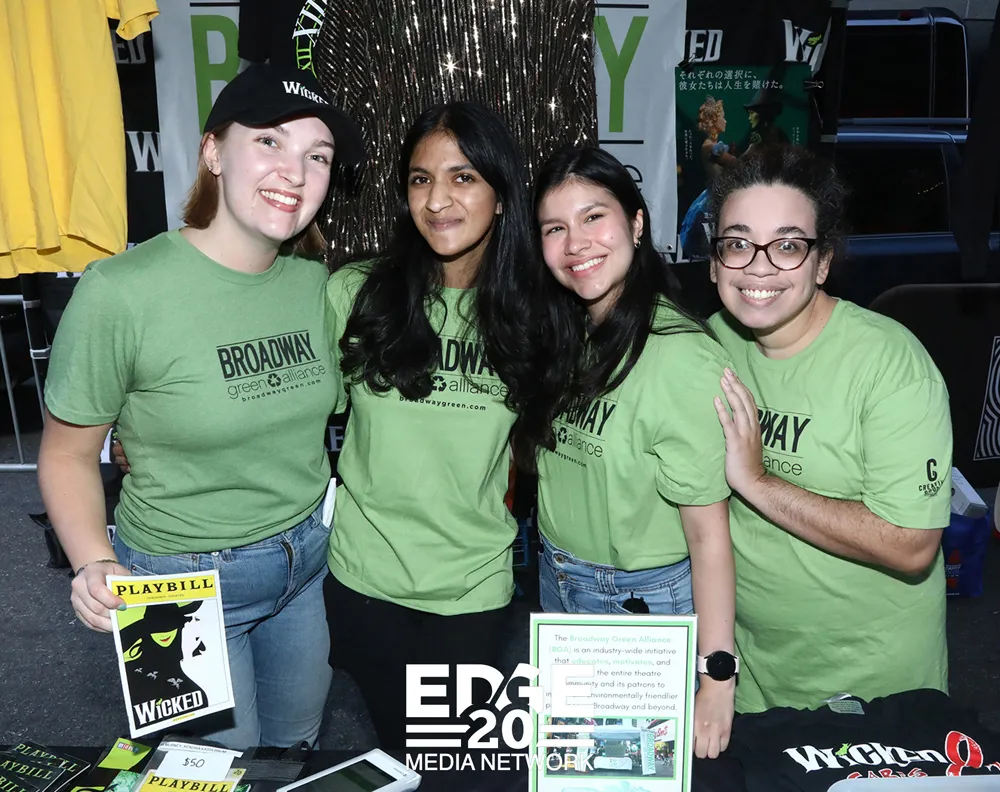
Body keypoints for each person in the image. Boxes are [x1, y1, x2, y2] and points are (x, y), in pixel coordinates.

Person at [37, 63, 365, 749]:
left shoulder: (313, 283)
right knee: (205, 773)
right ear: (214, 151)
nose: (295, 172)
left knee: (295, 749)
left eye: (318, 156)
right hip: (173, 582)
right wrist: (92, 560)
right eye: (269, 141)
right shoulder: (119, 291)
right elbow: (66, 453)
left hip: (305, 562)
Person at [322, 101, 544, 749]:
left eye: (463, 177)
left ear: (501, 196)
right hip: (363, 581)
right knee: (392, 759)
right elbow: (286, 413)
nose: (438, 200)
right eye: (421, 179)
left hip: (472, 591)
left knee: (449, 765)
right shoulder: (356, 293)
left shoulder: (536, 313)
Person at [707, 145, 951, 714]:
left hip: (873, 689)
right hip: (748, 681)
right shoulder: (710, 344)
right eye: (738, 244)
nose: (759, 266)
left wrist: (758, 481)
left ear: (821, 264)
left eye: (788, 245)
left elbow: (912, 545)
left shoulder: (890, 364)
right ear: (715, 262)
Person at [517, 146, 738, 759]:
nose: (575, 243)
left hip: (640, 603)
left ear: (637, 224)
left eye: (594, 217)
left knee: (625, 771)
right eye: (554, 228)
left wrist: (716, 677)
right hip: (559, 580)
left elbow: (709, 537)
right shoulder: (569, 329)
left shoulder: (682, 356)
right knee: (578, 767)